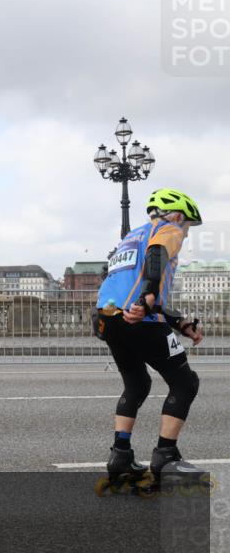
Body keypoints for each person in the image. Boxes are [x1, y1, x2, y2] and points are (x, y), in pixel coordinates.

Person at [95, 188, 205, 486]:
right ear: (180, 215)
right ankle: (166, 458)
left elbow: (114, 279)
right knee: (185, 383)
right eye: (188, 226)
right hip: (141, 320)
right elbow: (157, 255)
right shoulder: (167, 228)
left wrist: (178, 321)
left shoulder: (130, 238)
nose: (185, 233)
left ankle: (120, 454)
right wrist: (149, 295)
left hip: (109, 319)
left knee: (138, 382)